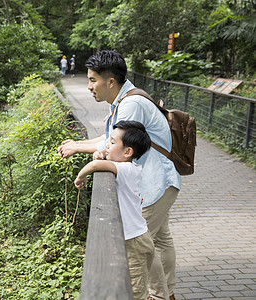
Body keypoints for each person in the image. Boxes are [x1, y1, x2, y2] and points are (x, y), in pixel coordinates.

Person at [58, 50, 180, 300]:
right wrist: (79, 144)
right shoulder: (124, 101)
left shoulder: (131, 104)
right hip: (160, 181)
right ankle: (166, 293)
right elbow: (110, 140)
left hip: (155, 184)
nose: (89, 86)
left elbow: (113, 145)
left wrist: (76, 147)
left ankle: (158, 295)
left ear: (110, 81)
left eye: (93, 80)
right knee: (160, 241)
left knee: (143, 244)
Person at [75, 120, 155, 300]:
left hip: (134, 242)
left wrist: (81, 177)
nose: (107, 145)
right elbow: (103, 160)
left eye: (111, 142)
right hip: (136, 237)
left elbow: (95, 166)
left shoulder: (126, 169)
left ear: (128, 152)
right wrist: (104, 153)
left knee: (135, 293)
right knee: (136, 288)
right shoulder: (130, 166)